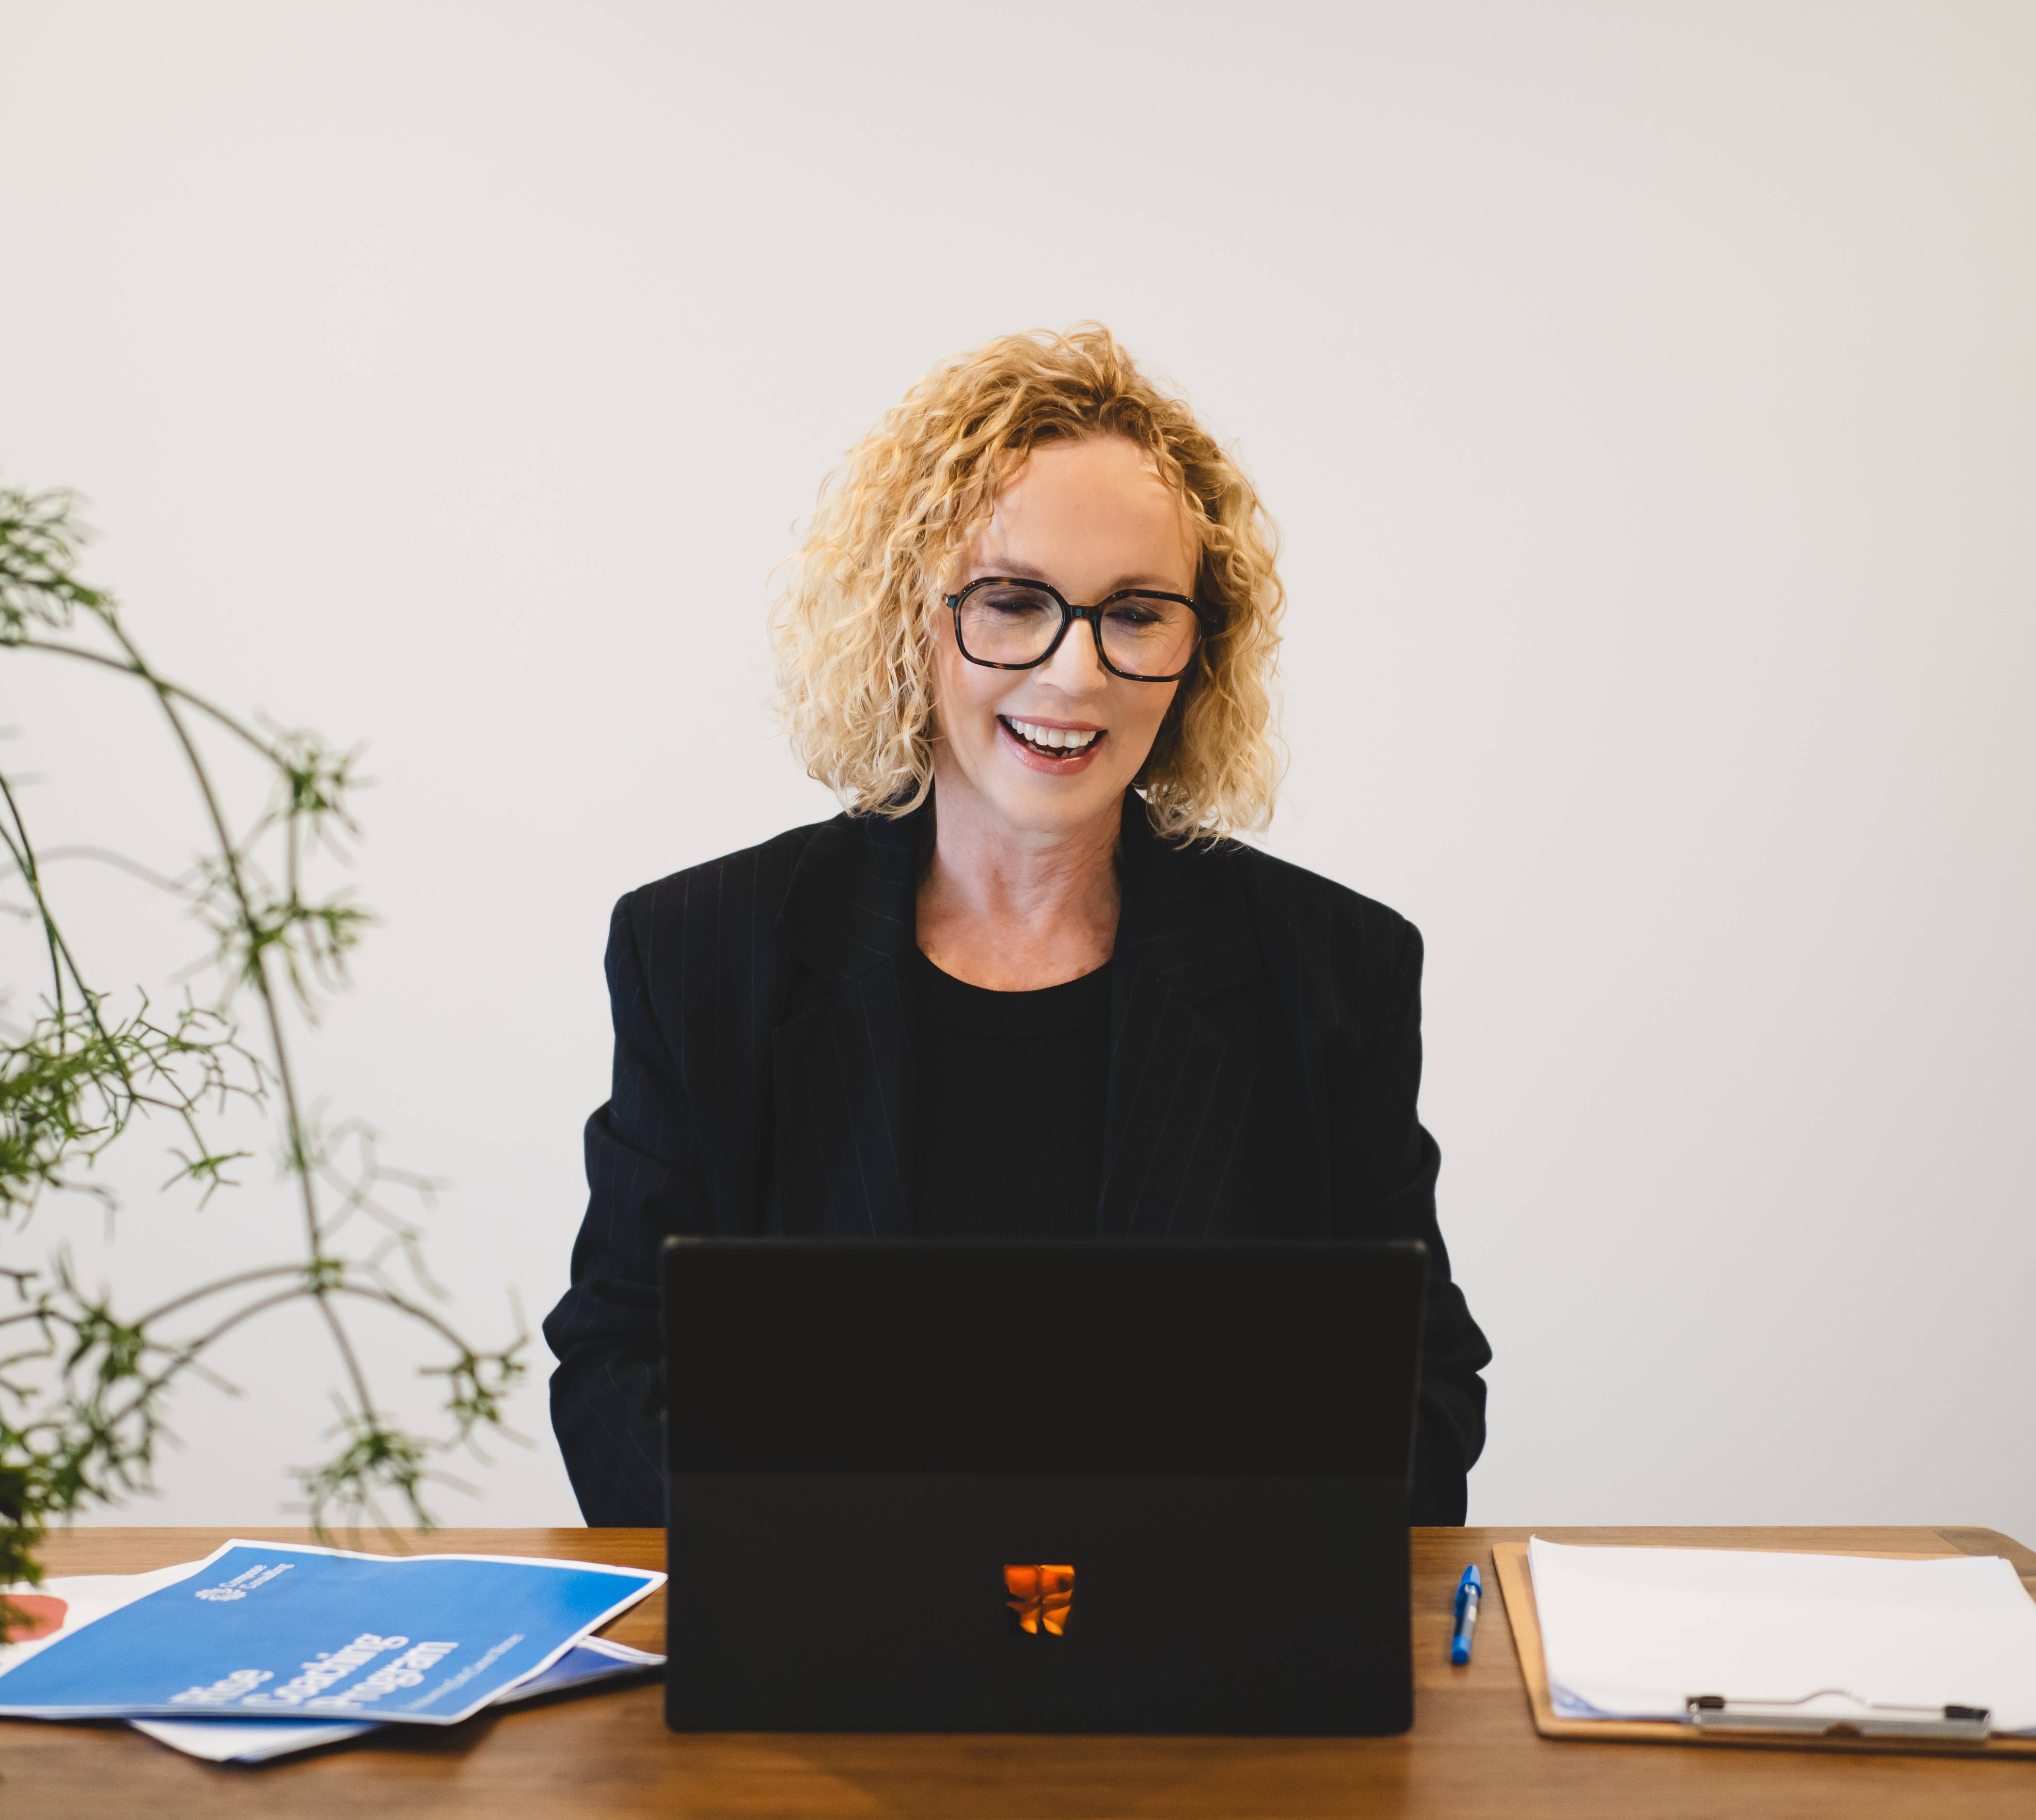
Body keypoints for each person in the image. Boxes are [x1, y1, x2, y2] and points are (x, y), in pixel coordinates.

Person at [544, 325, 1491, 1524]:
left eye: (1136, 614)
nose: (1074, 676)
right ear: (910, 619)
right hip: (827, 1660)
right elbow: (619, 1366)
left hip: (1197, 1674)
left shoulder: (1333, 970)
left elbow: (1421, 1394)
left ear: (1201, 649)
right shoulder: (698, 951)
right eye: (1011, 602)